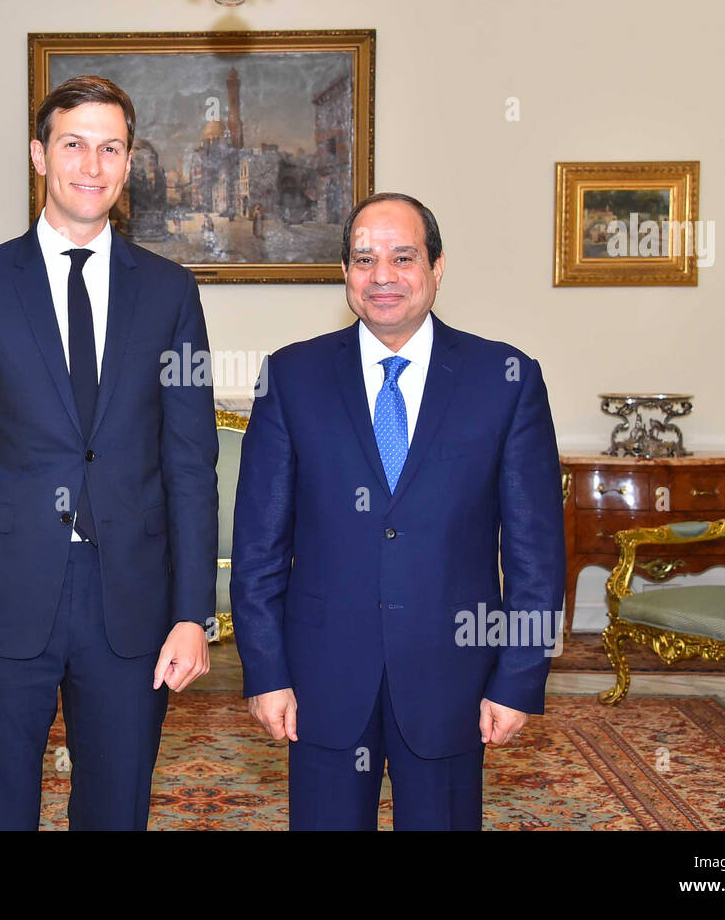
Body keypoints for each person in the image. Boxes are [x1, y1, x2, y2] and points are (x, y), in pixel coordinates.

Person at [0, 75, 218, 830]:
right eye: (73, 143)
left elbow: (190, 464)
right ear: (38, 156)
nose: (92, 163)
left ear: (128, 160)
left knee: (117, 812)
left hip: (132, 605)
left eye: (110, 147)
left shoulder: (172, 293)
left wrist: (191, 615)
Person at [230, 191, 565, 830]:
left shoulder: (506, 379)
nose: (382, 277)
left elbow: (535, 554)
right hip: (321, 679)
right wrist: (265, 671)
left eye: (403, 257)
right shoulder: (291, 377)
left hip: (454, 678)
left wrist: (519, 677)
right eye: (364, 259)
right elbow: (258, 550)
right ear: (346, 274)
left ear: (437, 267)